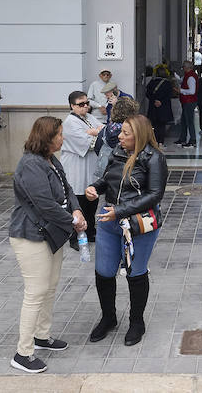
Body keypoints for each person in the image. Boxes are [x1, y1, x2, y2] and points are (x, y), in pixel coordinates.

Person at [8, 116, 86, 374]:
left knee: (50, 287)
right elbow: (44, 203)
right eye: (59, 134)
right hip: (30, 234)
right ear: (47, 138)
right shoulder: (31, 164)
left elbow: (68, 190)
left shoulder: (51, 160)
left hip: (50, 233)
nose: (63, 138)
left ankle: (42, 336)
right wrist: (72, 221)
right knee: (36, 291)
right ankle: (23, 352)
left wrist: (78, 212)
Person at [86, 113, 168, 347]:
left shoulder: (154, 158)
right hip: (109, 220)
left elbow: (155, 195)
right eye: (120, 131)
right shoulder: (117, 152)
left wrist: (120, 212)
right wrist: (94, 188)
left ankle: (136, 322)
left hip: (139, 225)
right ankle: (109, 318)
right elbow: (106, 180)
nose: (119, 136)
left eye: (125, 133)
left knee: (136, 272)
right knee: (103, 272)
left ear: (139, 135)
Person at [61, 91, 104, 242]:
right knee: (79, 204)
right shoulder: (69, 123)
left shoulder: (89, 117)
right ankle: (77, 237)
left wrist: (93, 132)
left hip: (90, 167)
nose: (85, 106)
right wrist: (95, 133)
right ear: (72, 106)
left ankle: (91, 231)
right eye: (81, 104)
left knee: (92, 202)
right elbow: (91, 143)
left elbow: (103, 131)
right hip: (76, 168)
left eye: (87, 103)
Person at [92, 96, 141, 184]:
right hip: (128, 170)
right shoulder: (133, 130)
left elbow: (97, 147)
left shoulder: (107, 128)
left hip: (108, 170)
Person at [142, 66, 176, 145]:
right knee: (162, 125)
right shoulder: (168, 83)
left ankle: (154, 140)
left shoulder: (152, 82)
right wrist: (161, 101)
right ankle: (161, 141)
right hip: (163, 107)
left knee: (154, 124)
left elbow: (147, 93)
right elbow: (170, 94)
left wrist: (154, 100)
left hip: (153, 107)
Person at [176, 62, 199, 148]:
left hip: (190, 101)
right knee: (184, 120)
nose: (183, 68)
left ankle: (192, 140)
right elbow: (181, 81)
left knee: (189, 121)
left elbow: (192, 91)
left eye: (183, 67)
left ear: (187, 67)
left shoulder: (191, 77)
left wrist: (181, 91)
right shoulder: (188, 76)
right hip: (186, 101)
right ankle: (182, 138)